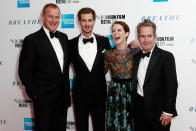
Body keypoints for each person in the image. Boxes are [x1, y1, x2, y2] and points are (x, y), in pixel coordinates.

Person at [18, 3, 71, 131]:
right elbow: (24, 71)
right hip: (43, 100)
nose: (54, 20)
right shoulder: (32, 40)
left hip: (62, 99)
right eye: (50, 17)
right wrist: (35, 94)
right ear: (42, 17)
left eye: (57, 17)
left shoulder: (64, 37)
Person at [69, 7, 111, 131]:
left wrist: (134, 47)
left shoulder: (104, 41)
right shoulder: (70, 44)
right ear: (79, 22)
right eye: (84, 20)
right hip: (80, 93)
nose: (87, 24)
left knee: (100, 127)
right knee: (81, 127)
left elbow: (116, 57)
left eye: (90, 20)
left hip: (99, 93)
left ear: (94, 21)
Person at [132, 19, 178, 131]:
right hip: (139, 112)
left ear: (155, 37)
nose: (146, 39)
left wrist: (168, 111)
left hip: (160, 113)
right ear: (138, 37)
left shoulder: (166, 57)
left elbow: (172, 86)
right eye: (142, 36)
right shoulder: (135, 57)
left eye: (149, 36)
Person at [105, 21, 139, 131]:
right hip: (115, 92)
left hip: (132, 90)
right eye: (113, 31)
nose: (115, 33)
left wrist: (140, 45)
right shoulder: (108, 53)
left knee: (132, 123)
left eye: (119, 30)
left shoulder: (136, 51)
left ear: (127, 33)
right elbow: (101, 72)